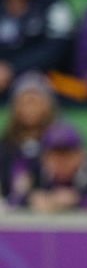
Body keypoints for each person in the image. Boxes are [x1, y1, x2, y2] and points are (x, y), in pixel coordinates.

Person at [0, 0, 74, 100]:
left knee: (32, 87)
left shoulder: (55, 2)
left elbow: (57, 49)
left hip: (42, 80)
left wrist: (12, 69)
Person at [25, 121, 87, 212]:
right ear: (44, 158)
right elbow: (13, 202)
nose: (62, 163)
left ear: (81, 156)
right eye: (56, 157)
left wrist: (78, 201)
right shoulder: (35, 175)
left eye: (68, 156)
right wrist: (31, 200)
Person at [0, 72, 57, 207]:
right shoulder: (6, 145)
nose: (30, 109)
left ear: (47, 105)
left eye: (35, 102)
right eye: (24, 102)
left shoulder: (60, 143)